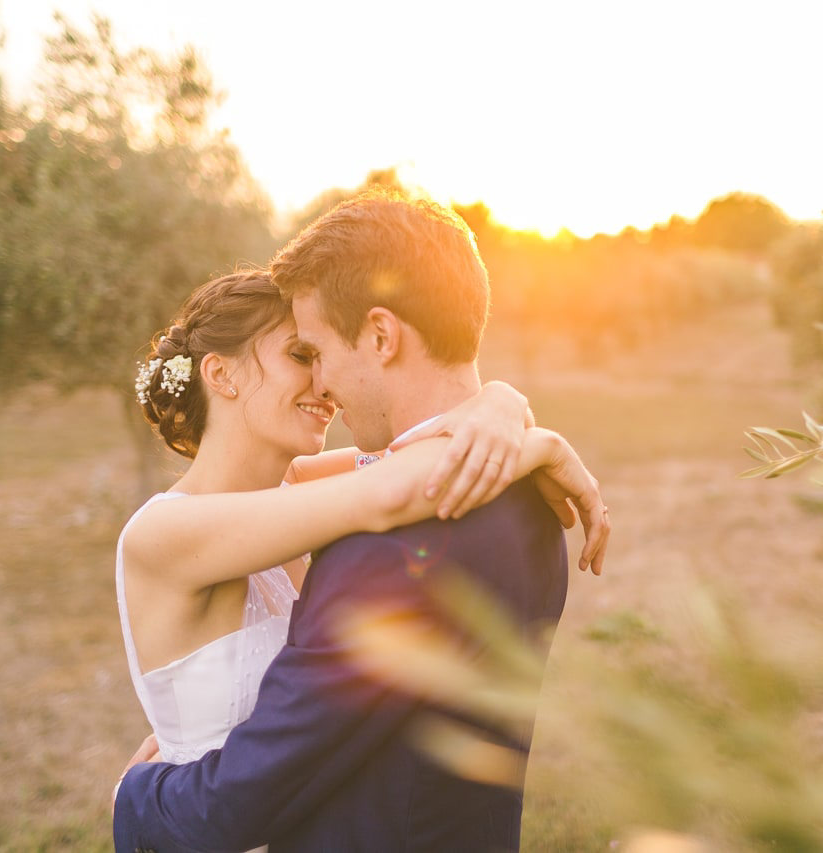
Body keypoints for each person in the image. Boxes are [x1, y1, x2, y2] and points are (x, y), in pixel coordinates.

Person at [113, 192, 610, 852]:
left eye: (314, 351)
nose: (321, 382)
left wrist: (505, 408)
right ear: (221, 375)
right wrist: (517, 422)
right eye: (300, 355)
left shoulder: (339, 513)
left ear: (380, 334)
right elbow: (389, 481)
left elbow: (394, 473)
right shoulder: (518, 504)